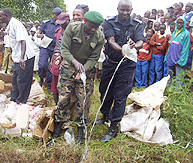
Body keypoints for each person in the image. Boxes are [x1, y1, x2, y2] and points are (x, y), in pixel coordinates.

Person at [51, 11, 104, 145]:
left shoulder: (99, 37)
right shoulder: (72, 28)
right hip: (69, 66)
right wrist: (74, 62)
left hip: (86, 70)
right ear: (85, 21)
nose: (93, 29)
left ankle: (81, 130)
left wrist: (83, 69)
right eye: (91, 26)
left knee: (84, 100)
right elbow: (64, 49)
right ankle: (57, 128)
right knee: (64, 98)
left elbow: (94, 58)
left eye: (95, 27)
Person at [96, 0, 144, 143]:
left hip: (127, 65)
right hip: (111, 62)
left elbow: (141, 41)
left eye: (127, 10)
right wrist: (123, 49)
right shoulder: (109, 22)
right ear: (117, 9)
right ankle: (105, 114)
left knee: (120, 94)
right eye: (122, 10)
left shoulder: (137, 24)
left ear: (131, 10)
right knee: (105, 90)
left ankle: (114, 125)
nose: (125, 13)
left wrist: (135, 46)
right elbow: (110, 40)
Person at [0, 8, 35, 104]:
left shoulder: (16, 24)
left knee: (22, 80)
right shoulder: (9, 26)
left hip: (25, 57)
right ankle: (14, 99)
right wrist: (12, 54)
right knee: (15, 79)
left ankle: (21, 101)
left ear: (6, 16)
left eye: (1, 16)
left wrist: (22, 58)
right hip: (17, 56)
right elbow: (13, 42)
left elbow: (23, 41)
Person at [38, 7, 62, 93]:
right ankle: (41, 78)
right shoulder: (46, 23)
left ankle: (49, 84)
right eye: (56, 15)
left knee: (51, 67)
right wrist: (40, 35)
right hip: (45, 46)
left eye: (59, 15)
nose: (58, 17)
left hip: (55, 48)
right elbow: (39, 32)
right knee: (42, 64)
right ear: (53, 15)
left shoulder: (61, 25)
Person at [49, 13, 70, 105]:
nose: (61, 24)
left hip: (67, 61)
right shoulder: (59, 30)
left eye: (63, 22)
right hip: (57, 59)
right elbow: (57, 45)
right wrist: (52, 59)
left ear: (68, 21)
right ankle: (56, 104)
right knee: (55, 79)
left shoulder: (72, 31)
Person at [166, 16, 191, 85]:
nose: (179, 24)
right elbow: (170, 46)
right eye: (178, 23)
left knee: (179, 78)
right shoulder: (174, 33)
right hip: (171, 58)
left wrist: (181, 60)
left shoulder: (186, 34)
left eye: (181, 23)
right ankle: (169, 92)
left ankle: (178, 93)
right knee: (170, 77)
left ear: (184, 24)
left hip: (179, 59)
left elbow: (185, 48)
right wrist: (167, 56)